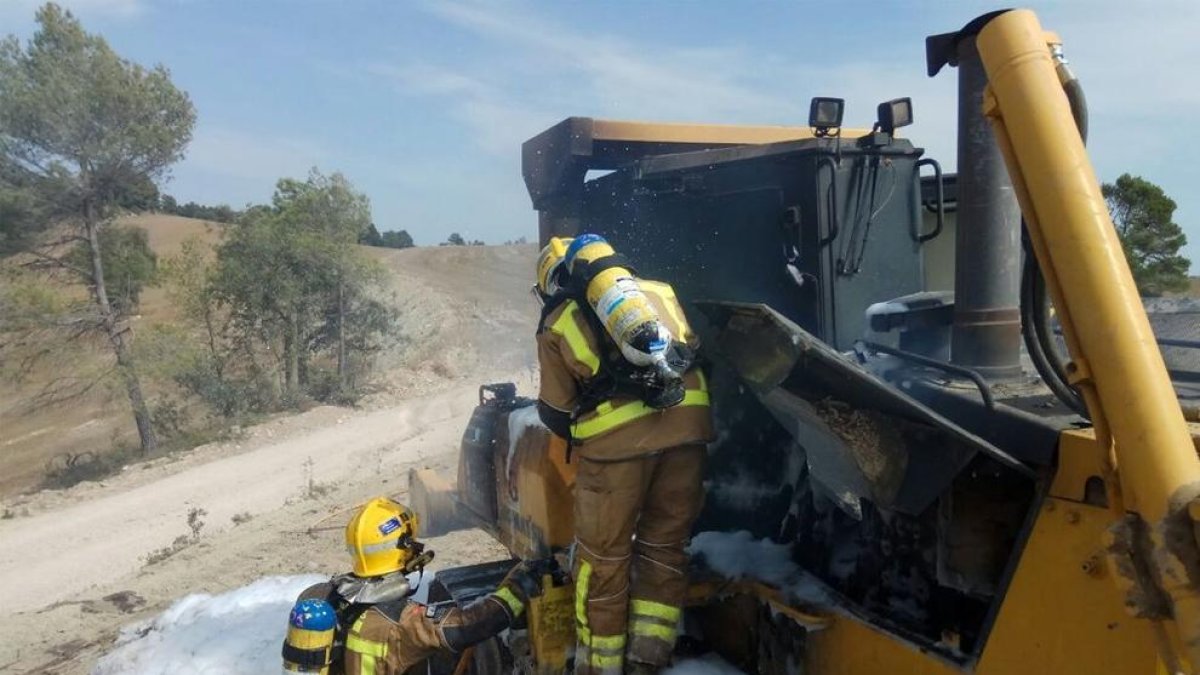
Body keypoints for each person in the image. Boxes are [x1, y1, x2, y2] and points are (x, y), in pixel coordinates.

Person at [534, 234, 714, 675]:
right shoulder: (660, 292)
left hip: (616, 454)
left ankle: (603, 665)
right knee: (664, 547)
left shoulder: (557, 320)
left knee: (604, 562)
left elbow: (556, 412)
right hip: (689, 431)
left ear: (552, 282)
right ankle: (649, 657)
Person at [282, 496, 543, 675]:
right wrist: (522, 581)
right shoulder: (401, 623)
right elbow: (467, 625)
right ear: (403, 548)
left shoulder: (318, 596)